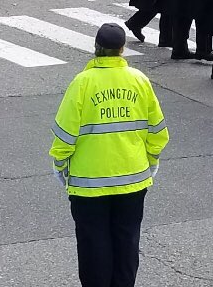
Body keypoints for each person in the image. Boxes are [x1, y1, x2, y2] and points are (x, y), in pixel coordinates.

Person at [50, 23, 169, 287]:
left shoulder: (82, 83)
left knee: (94, 244)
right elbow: (158, 131)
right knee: (127, 242)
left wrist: (60, 165)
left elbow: (65, 135)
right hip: (133, 180)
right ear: (122, 50)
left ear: (96, 49)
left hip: (89, 184)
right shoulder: (139, 80)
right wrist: (151, 161)